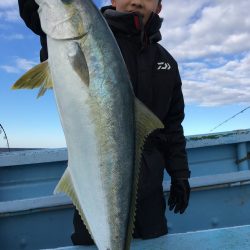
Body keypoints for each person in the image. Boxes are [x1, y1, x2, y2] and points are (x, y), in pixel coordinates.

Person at [18, 0, 191, 245]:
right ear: (112, 0)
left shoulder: (167, 64)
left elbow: (173, 127)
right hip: (92, 192)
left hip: (152, 196)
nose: (136, 0)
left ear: (160, 6)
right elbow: (39, 16)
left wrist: (180, 176)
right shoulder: (78, 37)